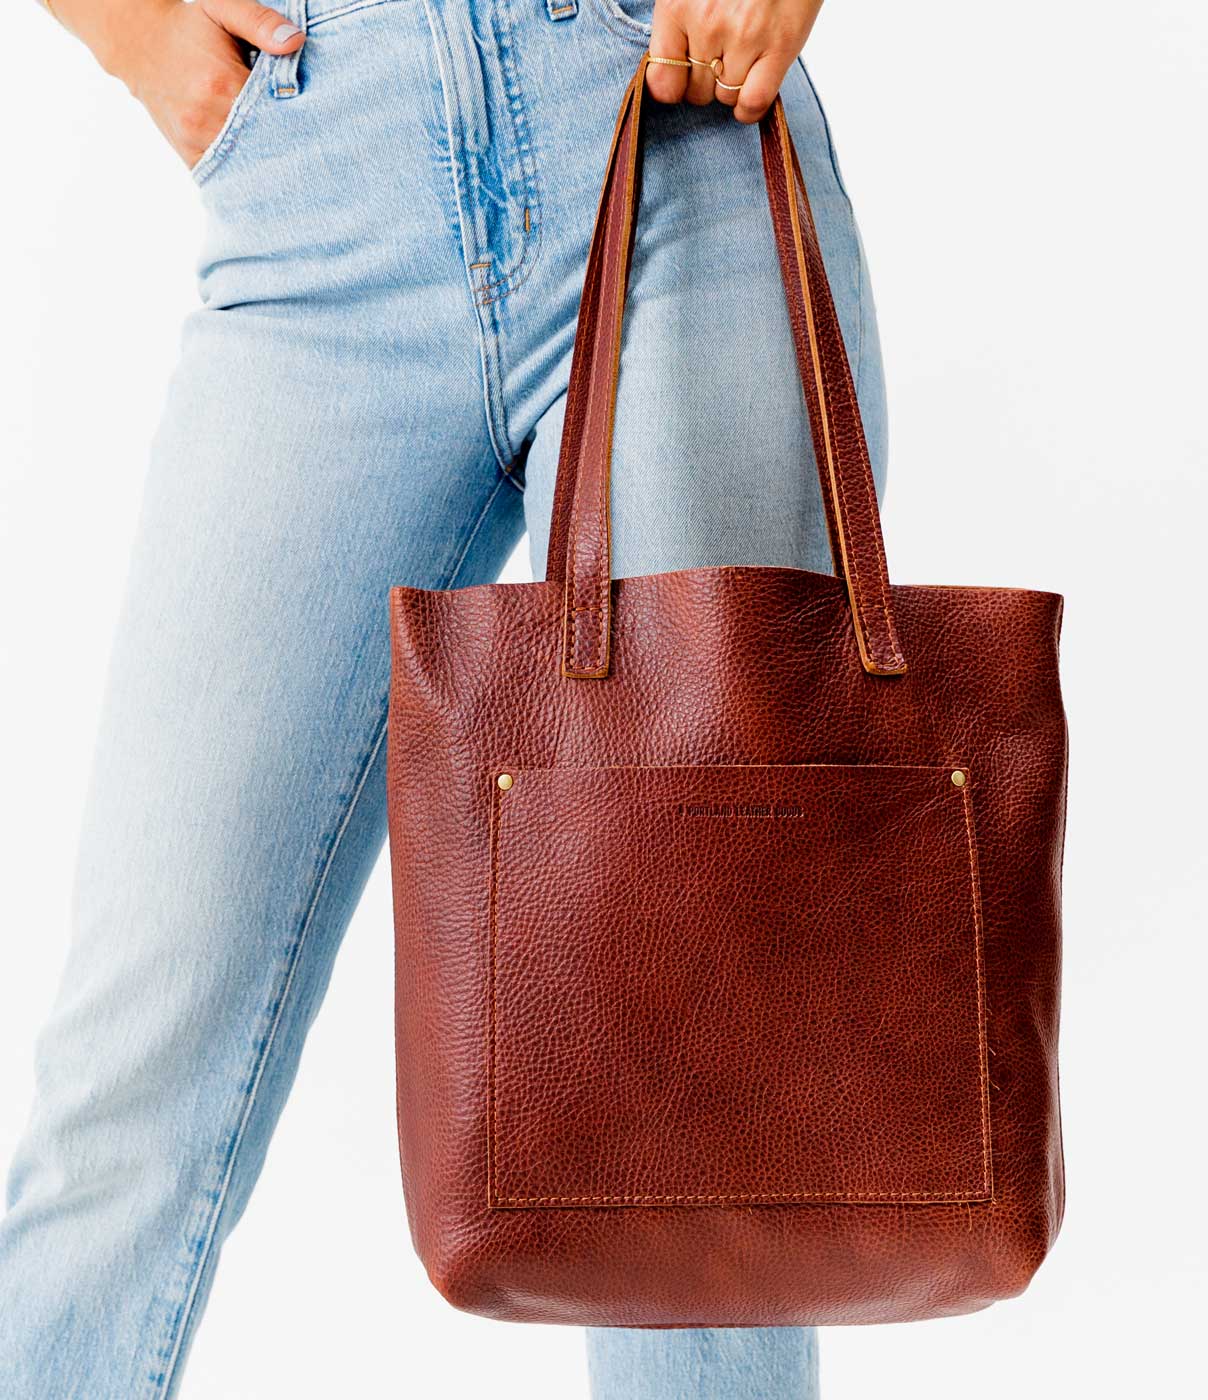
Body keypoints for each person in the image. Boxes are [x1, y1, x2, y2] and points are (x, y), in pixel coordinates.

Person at [1, 0, 887, 1394]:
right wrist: (126, 23)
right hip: (314, 193)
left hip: (667, 127)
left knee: (691, 1095)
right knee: (135, 1062)